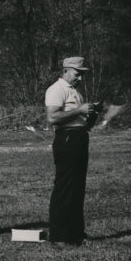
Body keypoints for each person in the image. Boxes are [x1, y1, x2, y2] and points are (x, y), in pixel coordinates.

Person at [45, 56, 94, 245]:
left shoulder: (74, 91)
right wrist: (79, 111)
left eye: (82, 74)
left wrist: (90, 114)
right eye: (77, 74)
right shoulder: (56, 90)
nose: (80, 78)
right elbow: (52, 117)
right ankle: (58, 235)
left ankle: (75, 233)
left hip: (79, 137)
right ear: (66, 71)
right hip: (67, 139)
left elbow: (79, 118)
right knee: (65, 187)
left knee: (77, 187)